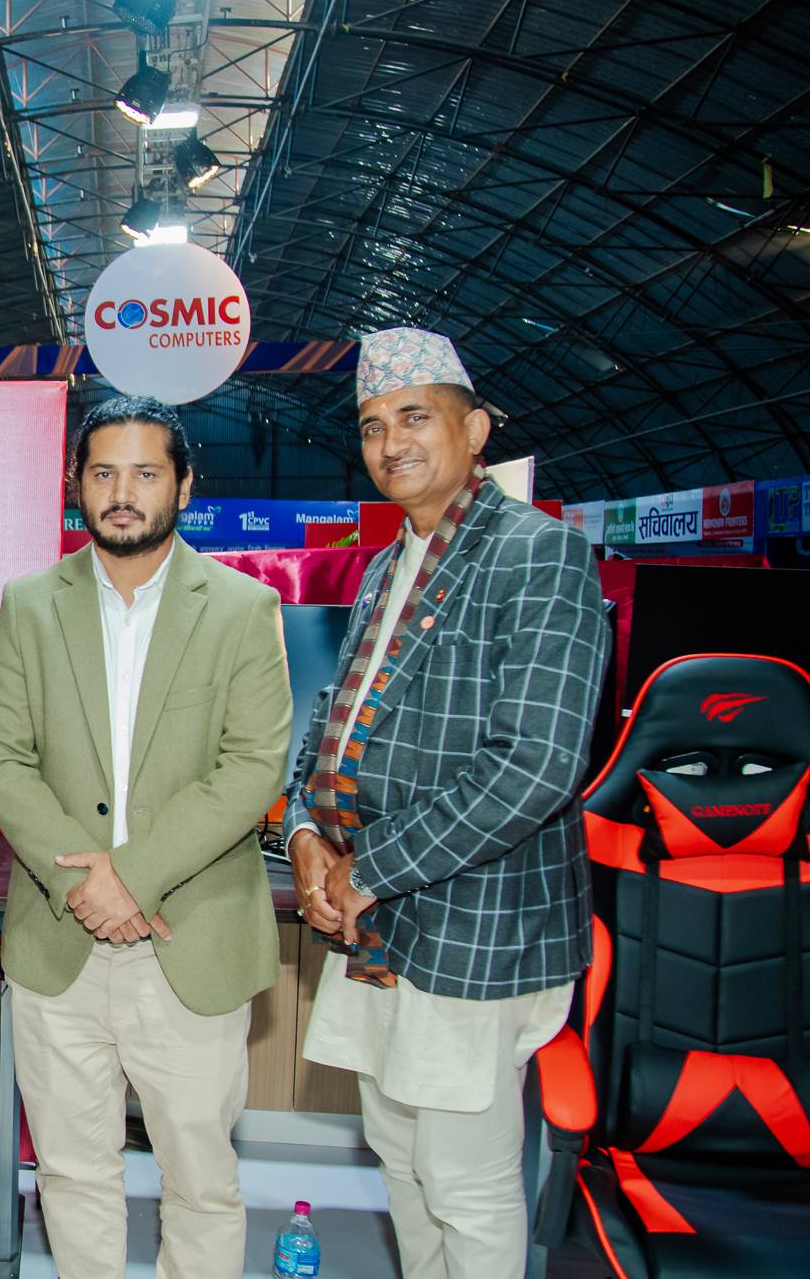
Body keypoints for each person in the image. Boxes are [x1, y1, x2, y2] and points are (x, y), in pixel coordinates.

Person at [285, 328, 609, 1279]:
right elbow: (332, 725)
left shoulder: (539, 555)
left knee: (466, 1183)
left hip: (477, 926)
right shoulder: (386, 566)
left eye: (414, 417)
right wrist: (304, 831)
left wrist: (368, 870)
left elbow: (537, 766)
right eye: (371, 425)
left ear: (474, 430)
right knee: (399, 1157)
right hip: (378, 927)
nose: (391, 443)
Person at [0, 396, 292, 1279]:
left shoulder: (241, 607)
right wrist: (88, 886)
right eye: (104, 473)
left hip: (191, 940)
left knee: (200, 1180)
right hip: (60, 940)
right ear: (77, 485)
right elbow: (1, 756)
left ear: (183, 485)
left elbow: (254, 765)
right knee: (73, 1173)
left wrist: (131, 877)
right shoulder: (30, 604)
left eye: (146, 473)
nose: (123, 493)